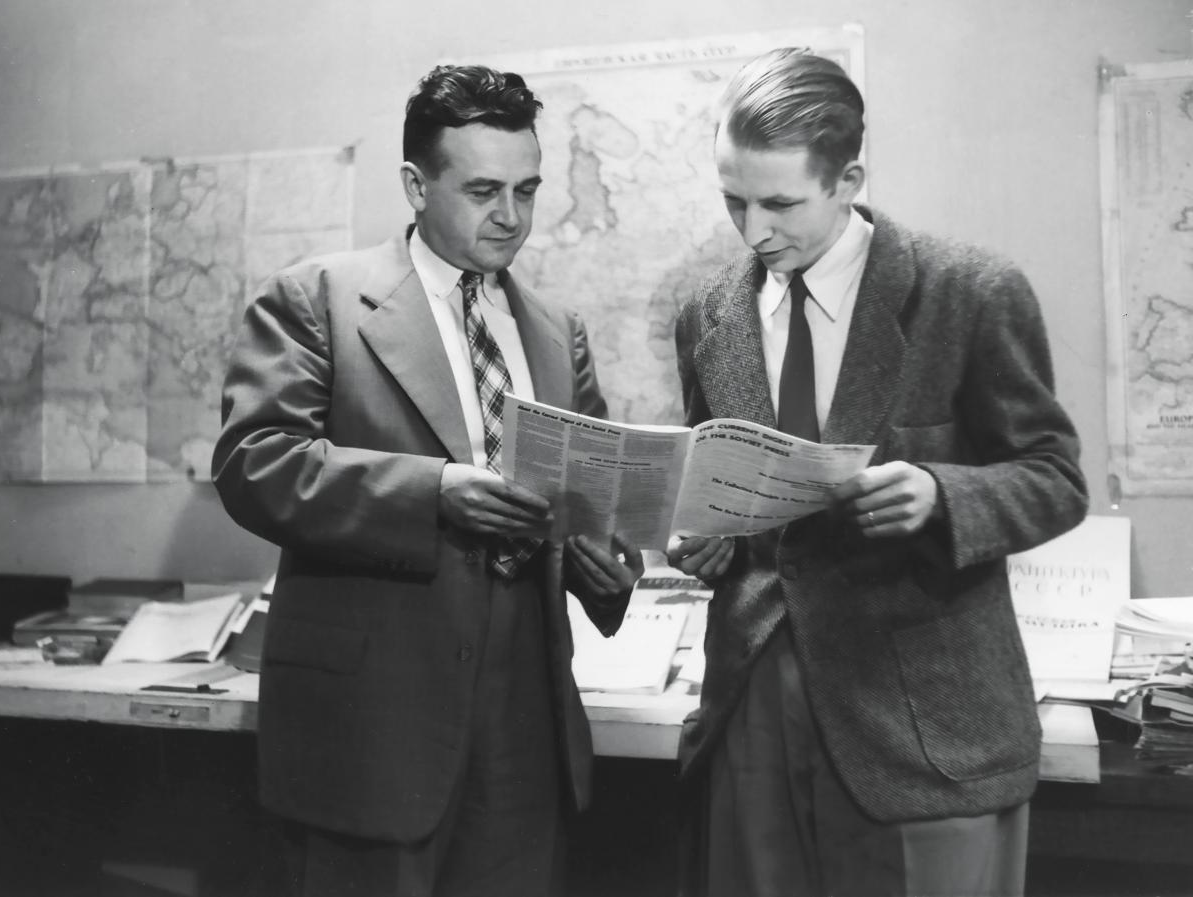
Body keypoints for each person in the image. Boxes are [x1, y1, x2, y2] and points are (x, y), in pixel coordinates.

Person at [212, 64, 643, 897]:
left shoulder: (558, 332)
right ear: (415, 184)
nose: (509, 216)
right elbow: (254, 461)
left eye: (526, 188)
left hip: (526, 737)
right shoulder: (318, 299)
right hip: (373, 736)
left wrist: (605, 565)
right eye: (482, 189)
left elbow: (592, 502)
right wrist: (433, 491)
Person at [667, 49, 1088, 897]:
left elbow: (1054, 476)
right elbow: (714, 476)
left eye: (780, 203)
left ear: (849, 177)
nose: (753, 230)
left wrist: (944, 493)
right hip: (754, 704)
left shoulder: (970, 292)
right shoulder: (706, 315)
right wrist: (701, 535)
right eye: (733, 199)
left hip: (921, 724)